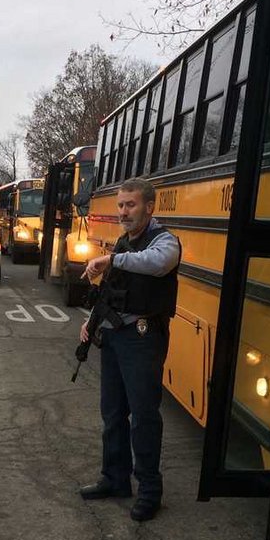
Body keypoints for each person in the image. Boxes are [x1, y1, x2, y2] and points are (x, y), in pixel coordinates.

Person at [77, 178, 181, 521]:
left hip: (143, 336)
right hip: (115, 335)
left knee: (144, 417)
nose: (124, 211)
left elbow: (156, 263)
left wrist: (112, 259)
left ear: (149, 207)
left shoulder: (164, 241)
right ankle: (115, 479)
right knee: (113, 413)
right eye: (121, 205)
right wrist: (91, 322)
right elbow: (109, 292)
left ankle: (149, 490)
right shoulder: (121, 243)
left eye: (131, 205)